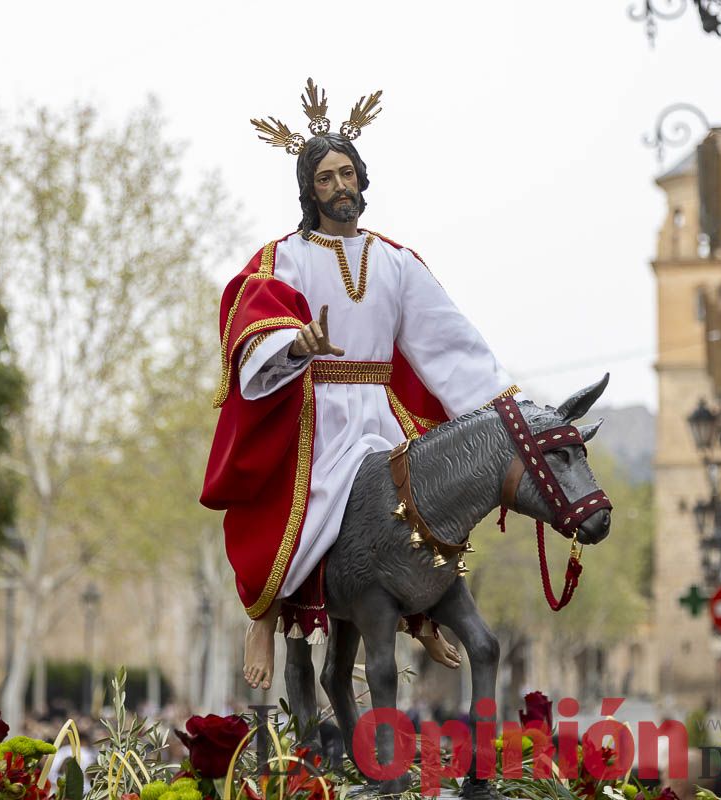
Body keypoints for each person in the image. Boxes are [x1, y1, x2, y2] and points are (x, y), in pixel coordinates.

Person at [202, 80, 521, 690]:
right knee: (306, 511)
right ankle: (264, 618)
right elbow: (251, 313)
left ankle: (424, 607)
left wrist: (504, 408)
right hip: (315, 413)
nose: (340, 187)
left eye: (347, 173)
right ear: (308, 189)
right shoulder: (286, 256)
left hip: (380, 408)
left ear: (362, 179)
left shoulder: (396, 260)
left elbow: (445, 339)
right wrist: (297, 344)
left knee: (432, 502)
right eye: (325, 178)